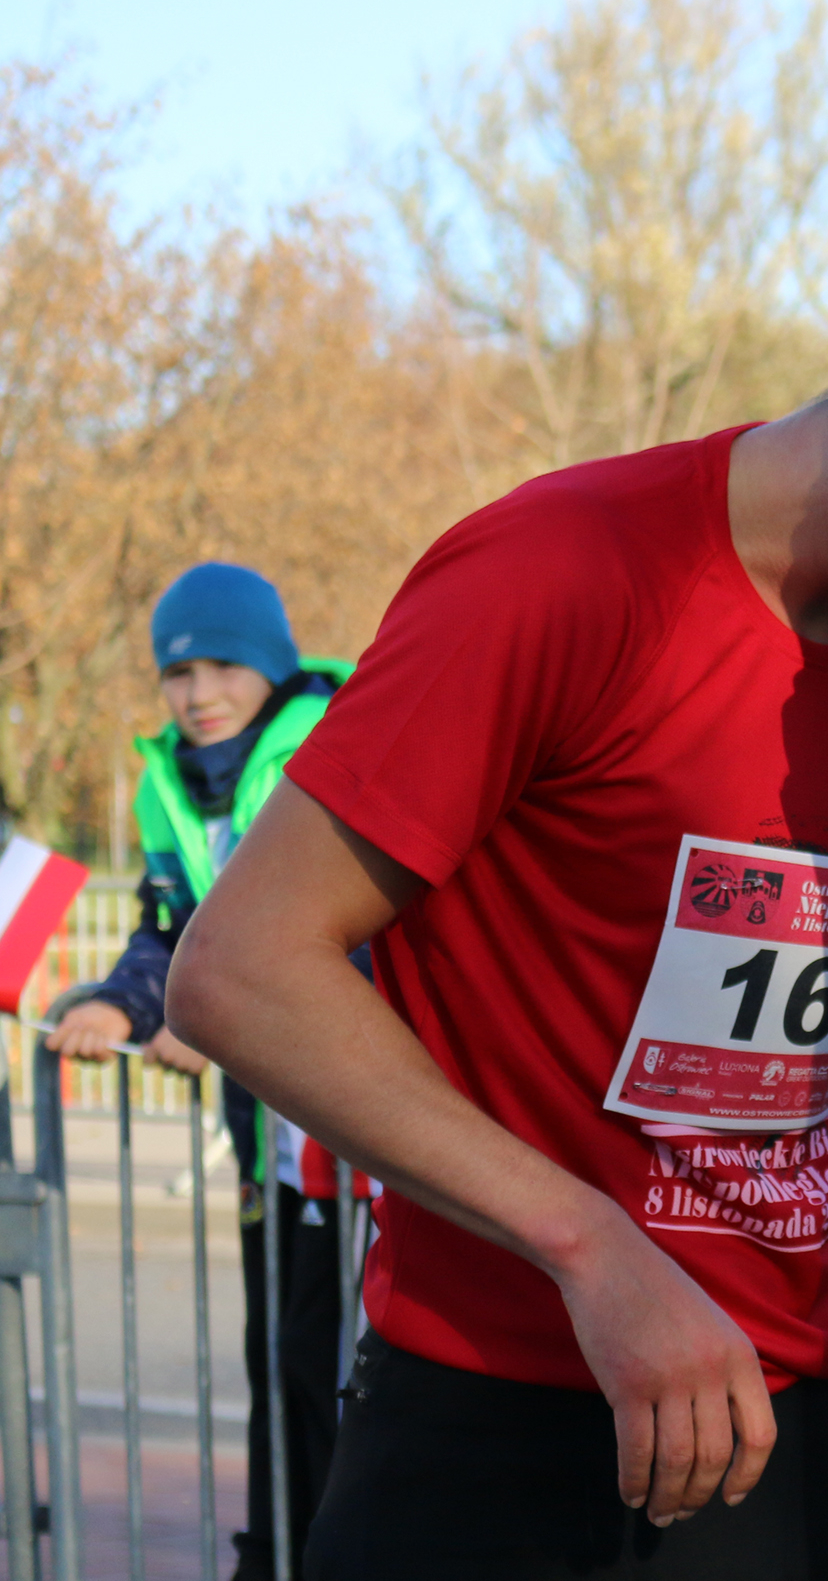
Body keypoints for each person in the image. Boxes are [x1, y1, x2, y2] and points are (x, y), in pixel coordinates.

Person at [160, 220, 828, 1580]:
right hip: (502, 1421)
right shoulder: (565, 573)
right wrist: (592, 1247)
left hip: (765, 1424)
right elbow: (242, 970)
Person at [45, 561, 356, 1581]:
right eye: (177, 672)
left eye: (225, 664)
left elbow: (358, 929)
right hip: (267, 1129)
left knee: (339, 1362)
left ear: (271, 662)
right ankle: (272, 1550)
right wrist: (124, 1001)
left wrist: (224, 1013)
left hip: (359, 1121)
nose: (199, 692)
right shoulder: (163, 780)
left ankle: (337, 1551)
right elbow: (168, 927)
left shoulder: (337, 739)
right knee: (276, 1354)